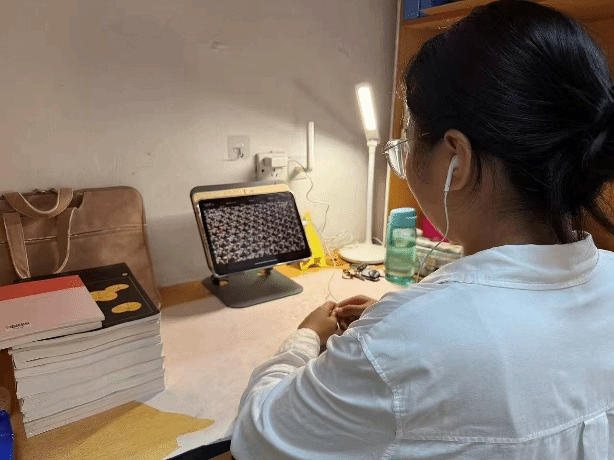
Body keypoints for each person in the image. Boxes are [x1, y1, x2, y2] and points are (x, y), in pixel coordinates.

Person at [230, 0, 614, 458]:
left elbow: (255, 438)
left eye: (408, 139)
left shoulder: (402, 347)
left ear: (456, 160)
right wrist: (397, 322)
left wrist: (306, 337)